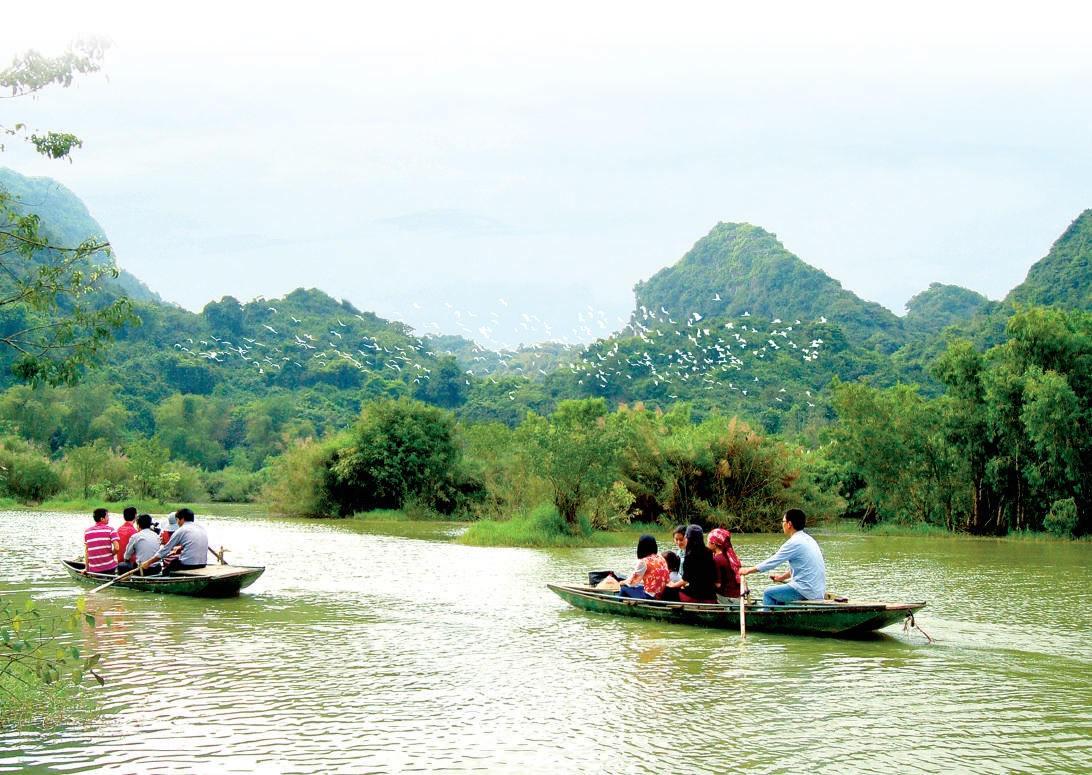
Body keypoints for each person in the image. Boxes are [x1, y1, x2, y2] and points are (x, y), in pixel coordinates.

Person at [740, 508, 826, 606]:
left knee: (768, 593)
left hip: (807, 591)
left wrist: (748, 570)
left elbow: (773, 561)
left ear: (789, 524)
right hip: (817, 590)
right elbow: (804, 567)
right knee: (778, 595)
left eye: (783, 521)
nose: (782, 524)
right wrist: (781, 577)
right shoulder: (809, 539)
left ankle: (768, 620)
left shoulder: (794, 542)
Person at [151, 508, 208, 573]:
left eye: (177, 520)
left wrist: (148, 563)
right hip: (203, 564)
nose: (178, 523)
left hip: (187, 565)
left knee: (167, 570)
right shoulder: (201, 528)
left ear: (182, 519)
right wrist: (180, 547)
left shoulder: (181, 530)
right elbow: (194, 543)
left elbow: (165, 551)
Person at [618, 534, 670, 600]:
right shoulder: (661, 558)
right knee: (638, 586)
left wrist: (622, 582)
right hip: (662, 593)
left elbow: (632, 582)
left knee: (624, 588)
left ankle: (619, 605)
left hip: (650, 596)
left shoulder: (643, 562)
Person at [678, 524, 717, 603]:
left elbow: (685, 580)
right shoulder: (709, 552)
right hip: (711, 596)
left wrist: (672, 585)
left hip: (696, 597)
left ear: (688, 538)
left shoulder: (689, 556)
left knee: (670, 591)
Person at [708, 527, 742, 604]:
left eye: (708, 542)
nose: (707, 544)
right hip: (737, 597)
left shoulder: (717, 559)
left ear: (714, 544)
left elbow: (718, 585)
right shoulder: (730, 556)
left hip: (728, 599)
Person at [83, 508, 118, 575]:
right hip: (110, 568)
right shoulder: (111, 530)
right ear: (102, 519)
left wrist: (86, 569)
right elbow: (117, 548)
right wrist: (111, 555)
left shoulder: (87, 532)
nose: (108, 518)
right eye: (107, 516)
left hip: (94, 570)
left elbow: (87, 551)